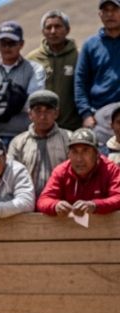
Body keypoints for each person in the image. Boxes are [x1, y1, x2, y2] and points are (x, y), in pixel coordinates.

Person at [37, 128, 120, 216]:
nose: (79, 159)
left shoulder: (110, 169)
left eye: (85, 151)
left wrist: (95, 205)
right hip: (68, 228)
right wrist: (55, 205)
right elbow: (43, 200)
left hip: (106, 228)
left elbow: (118, 197)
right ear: (68, 154)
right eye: (74, 151)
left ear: (97, 154)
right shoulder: (61, 171)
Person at [7, 90, 72, 195]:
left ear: (56, 113)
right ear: (30, 114)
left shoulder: (69, 139)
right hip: (27, 203)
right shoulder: (18, 142)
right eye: (38, 111)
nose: (43, 116)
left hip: (61, 203)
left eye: (48, 111)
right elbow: (11, 175)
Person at [27, 11, 81, 131]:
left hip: (72, 126)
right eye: (48, 27)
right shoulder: (33, 59)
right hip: (42, 127)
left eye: (58, 26)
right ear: (43, 32)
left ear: (67, 30)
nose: (53, 31)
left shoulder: (79, 56)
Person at [76, 0, 120, 146]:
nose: (110, 14)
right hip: (100, 117)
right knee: (103, 163)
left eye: (114, 10)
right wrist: (86, 114)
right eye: (105, 10)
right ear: (100, 14)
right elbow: (80, 82)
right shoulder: (90, 45)